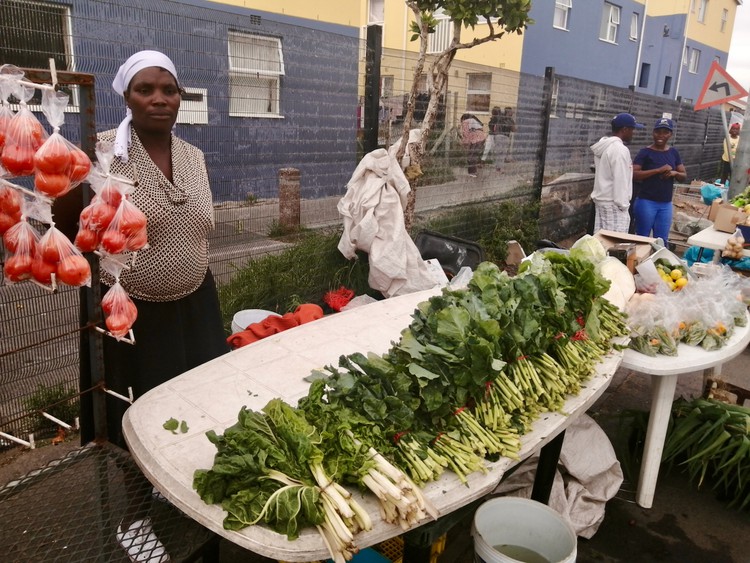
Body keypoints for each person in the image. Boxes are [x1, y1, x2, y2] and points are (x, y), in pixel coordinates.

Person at [59, 51, 229, 561]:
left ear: (181, 98)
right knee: (132, 410)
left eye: (169, 90)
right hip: (128, 311)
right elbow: (71, 231)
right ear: (126, 97)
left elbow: (198, 225)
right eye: (145, 89)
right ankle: (133, 519)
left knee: (191, 405)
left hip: (195, 303)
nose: (159, 99)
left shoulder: (195, 156)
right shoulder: (102, 154)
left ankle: (170, 484)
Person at [632, 117, 687, 243]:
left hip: (665, 204)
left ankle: (658, 262)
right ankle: (639, 262)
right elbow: (634, 174)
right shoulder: (645, 152)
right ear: (653, 133)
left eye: (665, 132)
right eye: (658, 132)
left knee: (662, 240)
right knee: (642, 238)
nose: (661, 135)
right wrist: (657, 170)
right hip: (646, 202)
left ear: (670, 134)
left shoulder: (673, 152)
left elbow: (683, 175)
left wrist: (674, 173)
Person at [589, 112, 643, 233]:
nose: (633, 133)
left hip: (603, 201)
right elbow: (621, 179)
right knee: (614, 244)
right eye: (632, 129)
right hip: (614, 204)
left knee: (601, 241)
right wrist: (623, 206)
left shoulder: (605, 146)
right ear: (625, 129)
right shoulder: (620, 149)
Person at [460, 113, 486, 177]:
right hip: (481, 138)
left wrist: (464, 143)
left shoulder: (465, 121)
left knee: (471, 156)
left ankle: (472, 172)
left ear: (463, 118)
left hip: (476, 139)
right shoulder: (474, 121)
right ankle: (473, 171)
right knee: (473, 155)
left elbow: (465, 134)